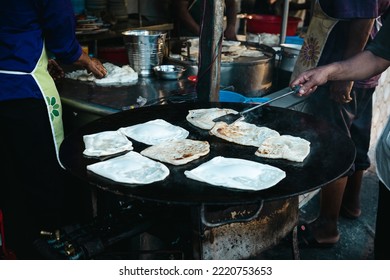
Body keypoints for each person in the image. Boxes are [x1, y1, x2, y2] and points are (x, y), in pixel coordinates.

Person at [0, 0, 107, 259]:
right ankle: (48, 244)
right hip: (24, 91)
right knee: (42, 174)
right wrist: (83, 58)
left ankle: (19, 244)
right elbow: (60, 32)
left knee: (9, 177)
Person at [288, 0, 389, 247]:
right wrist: (332, 72)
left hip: (349, 71)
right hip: (357, 70)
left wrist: (340, 80)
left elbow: (364, 19)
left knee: (333, 145)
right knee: (356, 137)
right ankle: (351, 205)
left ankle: (326, 226)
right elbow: (379, 52)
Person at [173, 0, 238, 40]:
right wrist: (200, 32)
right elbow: (181, 10)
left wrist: (231, 26)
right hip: (188, 38)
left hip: (215, 36)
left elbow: (231, 5)